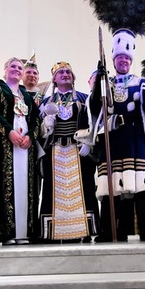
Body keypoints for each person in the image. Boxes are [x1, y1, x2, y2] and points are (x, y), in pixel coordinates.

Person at [88, 29, 145, 242]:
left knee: (141, 186)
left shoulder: (140, 82)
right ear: (114, 61)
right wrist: (98, 85)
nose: (123, 61)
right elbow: (95, 107)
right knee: (111, 187)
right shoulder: (107, 84)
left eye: (126, 58)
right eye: (119, 58)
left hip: (135, 138)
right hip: (112, 139)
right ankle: (111, 231)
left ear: (131, 61)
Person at [38, 62, 99, 243]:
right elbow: (37, 132)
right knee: (52, 190)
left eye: (68, 72)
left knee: (85, 188)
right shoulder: (44, 102)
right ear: (54, 79)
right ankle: (54, 233)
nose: (65, 74)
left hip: (78, 150)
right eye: (60, 72)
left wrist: (88, 141)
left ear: (73, 77)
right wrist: (45, 126)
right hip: (54, 150)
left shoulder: (83, 98)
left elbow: (93, 123)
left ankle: (84, 230)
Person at [0, 57, 40, 245]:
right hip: (4, 146)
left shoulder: (27, 95)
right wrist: (9, 131)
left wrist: (31, 136)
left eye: (19, 68)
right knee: (3, 185)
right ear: (5, 69)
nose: (16, 70)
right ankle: (7, 232)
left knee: (27, 186)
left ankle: (25, 232)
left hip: (25, 147)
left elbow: (35, 120)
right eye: (13, 67)